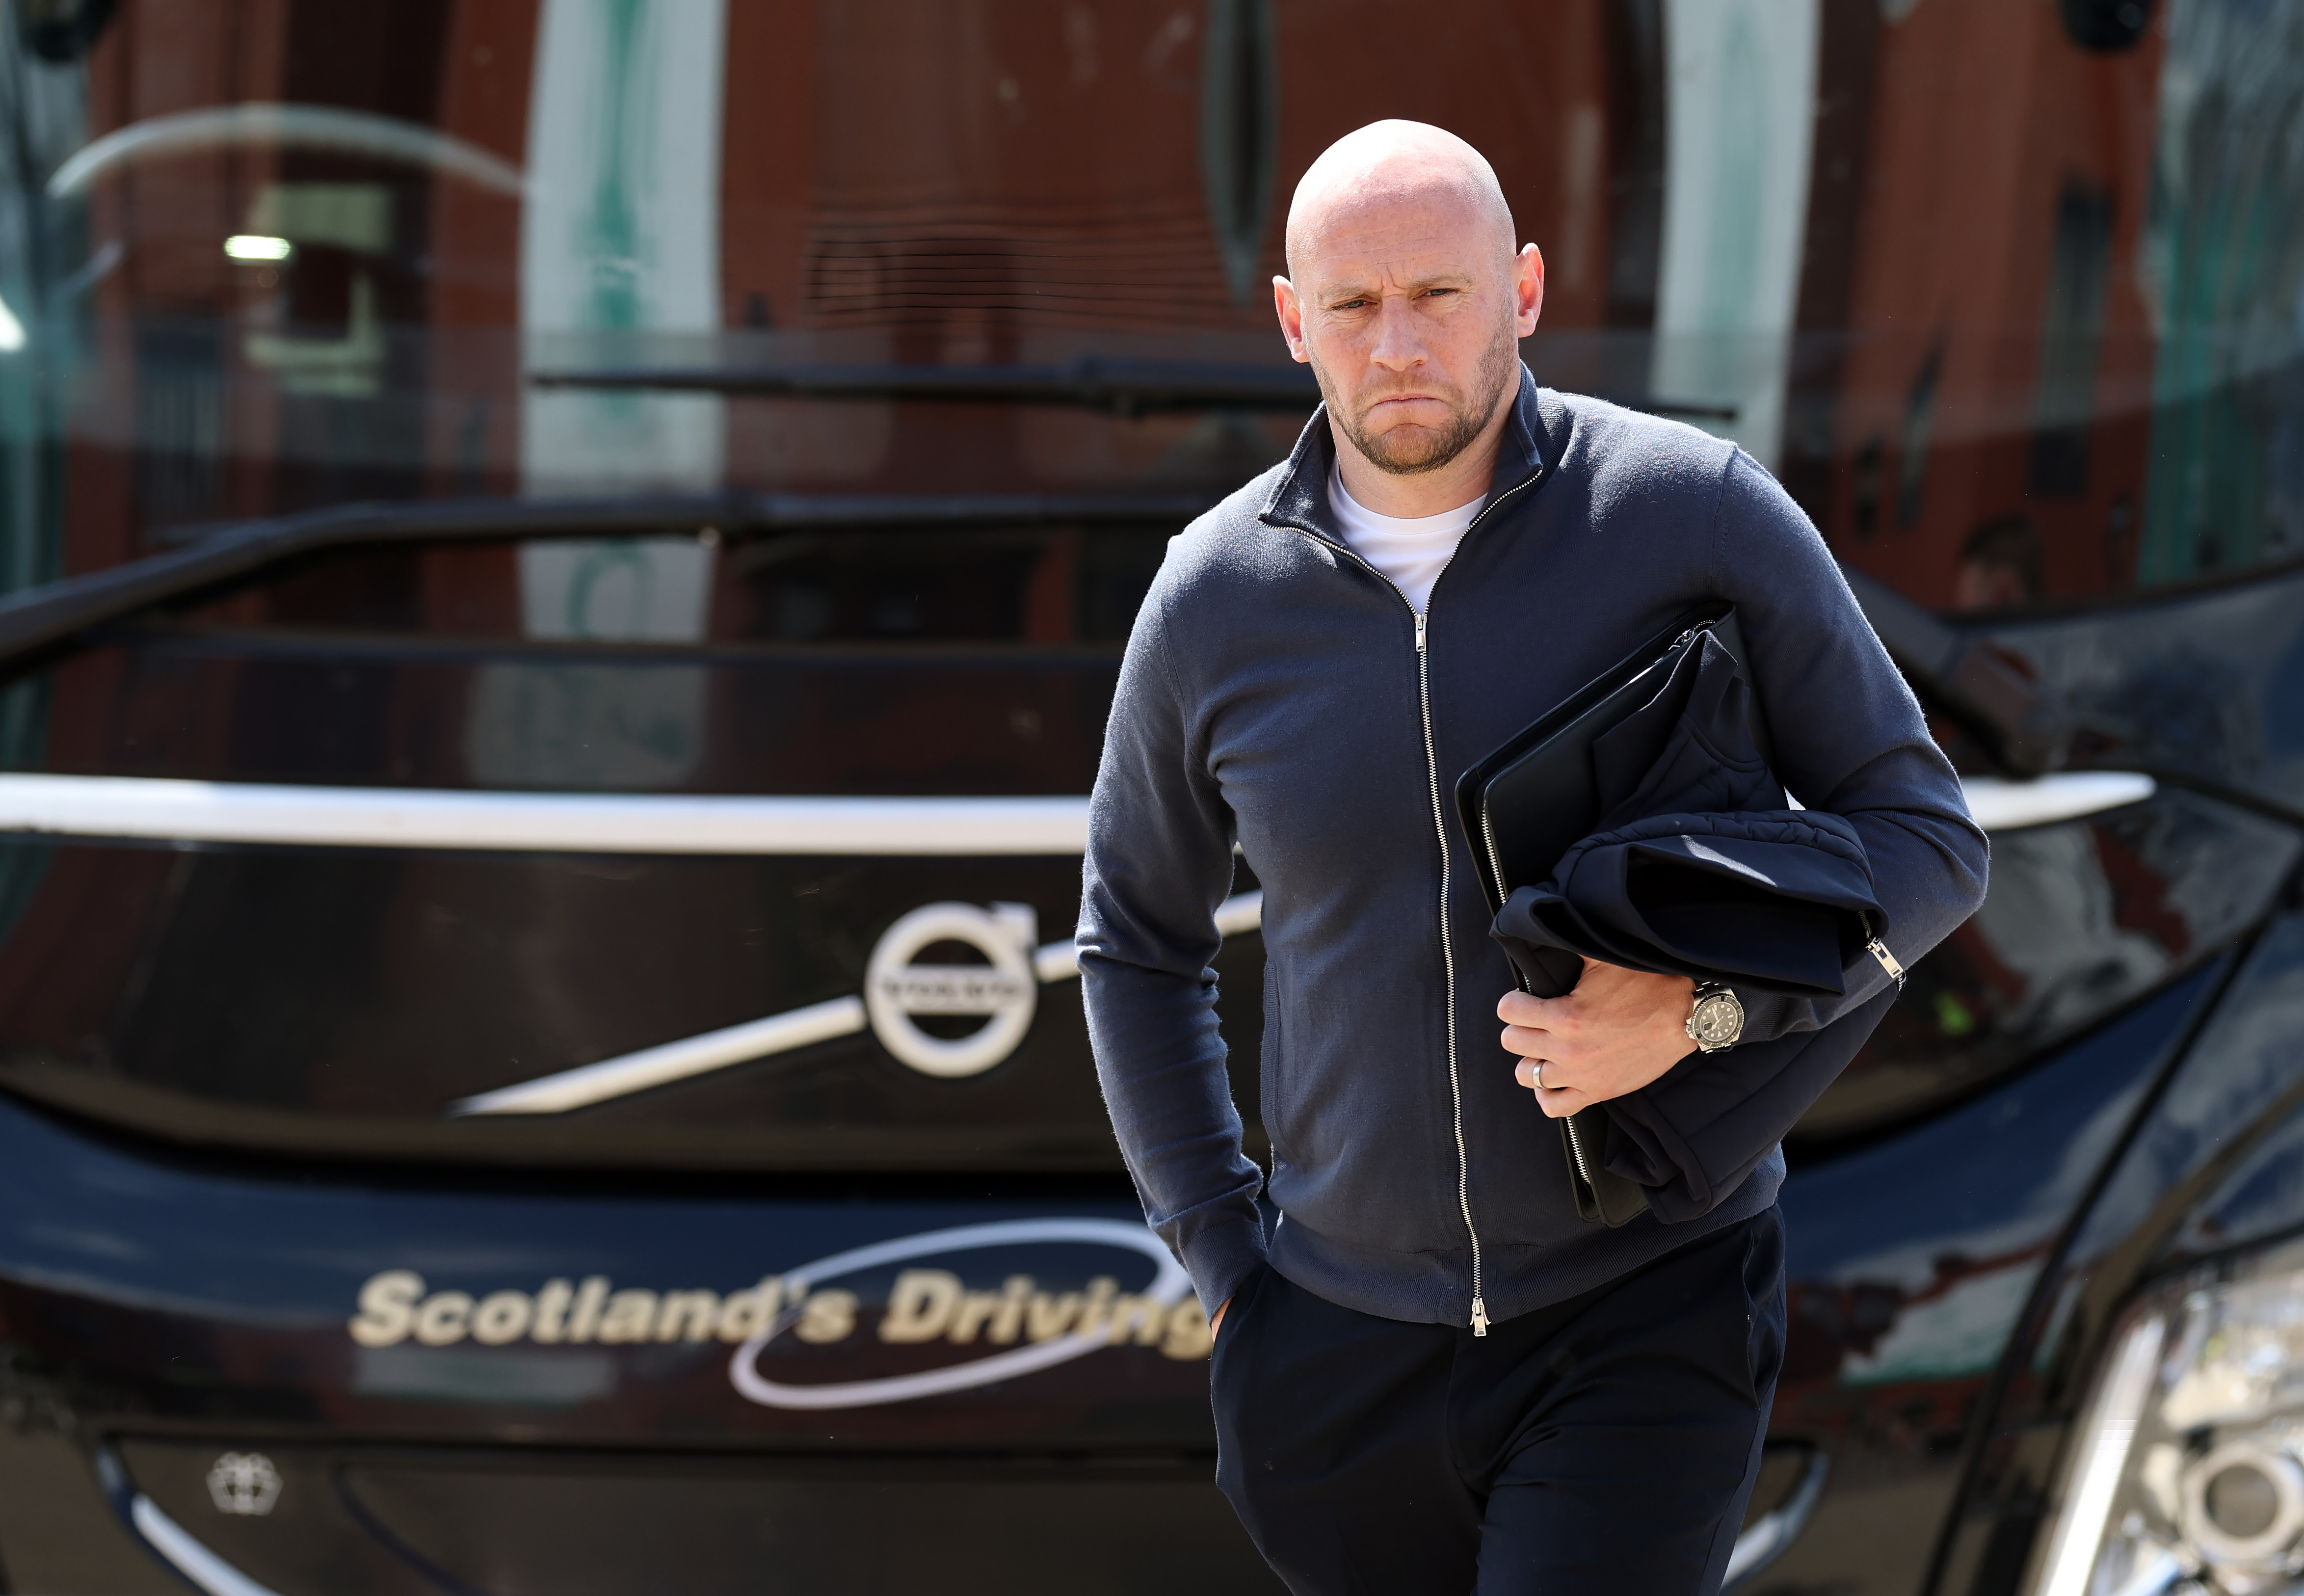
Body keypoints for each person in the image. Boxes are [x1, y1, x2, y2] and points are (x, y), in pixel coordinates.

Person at [1077, 121, 1987, 1596]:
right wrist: (1227, 1268)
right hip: (1334, 1348)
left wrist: (1696, 1012)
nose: (1397, 345)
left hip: (1644, 1306)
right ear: (1294, 320)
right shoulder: (1212, 600)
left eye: (1440, 293)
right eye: (1354, 305)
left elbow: (1927, 841)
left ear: (1526, 290)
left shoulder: (1690, 512)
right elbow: (1134, 940)